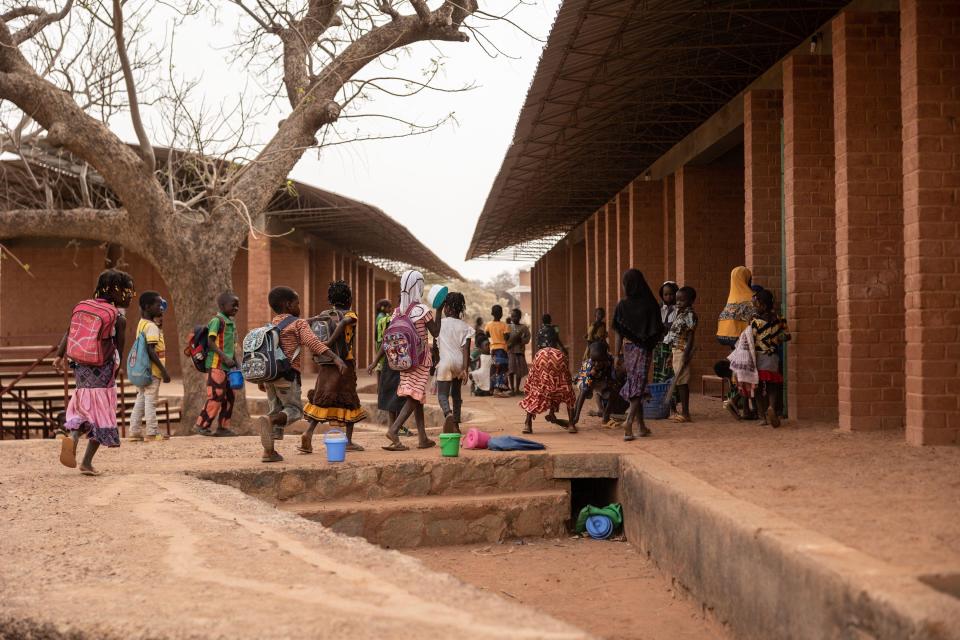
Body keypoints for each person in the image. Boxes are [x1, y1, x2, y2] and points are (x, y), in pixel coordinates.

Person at [55, 269, 135, 475]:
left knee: (83, 407)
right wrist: (117, 368)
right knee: (101, 415)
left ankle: (72, 437)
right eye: (126, 291)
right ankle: (87, 463)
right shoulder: (118, 318)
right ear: (115, 291)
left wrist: (58, 355)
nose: (128, 295)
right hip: (103, 370)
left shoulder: (83, 307)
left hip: (81, 368)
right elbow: (119, 348)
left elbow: (68, 331)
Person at [257, 286, 346, 463]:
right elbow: (313, 342)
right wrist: (336, 358)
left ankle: (269, 452)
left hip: (270, 376)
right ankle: (270, 420)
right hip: (287, 375)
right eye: (297, 303)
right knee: (294, 410)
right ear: (289, 305)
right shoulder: (299, 324)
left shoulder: (272, 324)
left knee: (275, 408)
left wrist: (261, 379)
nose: (300, 307)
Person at [300, 281, 366, 455]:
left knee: (321, 398)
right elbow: (345, 322)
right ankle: (349, 441)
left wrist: (313, 322)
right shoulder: (351, 313)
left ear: (331, 299)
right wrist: (329, 341)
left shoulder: (324, 314)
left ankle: (308, 433)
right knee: (349, 399)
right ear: (349, 298)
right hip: (345, 363)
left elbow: (306, 323)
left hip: (326, 362)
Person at [380, 270, 441, 451]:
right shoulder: (422, 310)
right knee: (415, 396)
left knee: (416, 396)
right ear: (418, 286)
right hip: (420, 360)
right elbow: (436, 331)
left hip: (404, 360)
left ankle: (423, 438)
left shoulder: (397, 311)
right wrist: (439, 309)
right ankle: (394, 430)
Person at [613, 269, 664, 441]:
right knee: (639, 383)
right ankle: (629, 423)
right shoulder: (651, 304)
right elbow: (657, 330)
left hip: (628, 349)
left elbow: (618, 332)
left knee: (636, 383)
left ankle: (641, 426)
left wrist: (616, 354)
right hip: (643, 350)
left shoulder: (622, 305)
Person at [128, 291, 172, 442]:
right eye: (158, 304)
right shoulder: (152, 327)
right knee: (151, 401)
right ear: (147, 307)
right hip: (152, 370)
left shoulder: (142, 323)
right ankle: (152, 432)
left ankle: (134, 431)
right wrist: (163, 370)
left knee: (141, 398)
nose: (161, 307)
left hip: (142, 369)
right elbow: (150, 350)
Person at [195, 291, 240, 437]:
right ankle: (201, 425)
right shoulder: (217, 321)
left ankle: (223, 427)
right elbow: (210, 341)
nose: (236, 308)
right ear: (222, 306)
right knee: (216, 395)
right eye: (233, 305)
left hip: (228, 368)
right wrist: (224, 357)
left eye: (238, 306)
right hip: (216, 365)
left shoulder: (231, 324)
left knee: (229, 397)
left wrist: (236, 364)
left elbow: (231, 346)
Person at [717, 266, 757, 420]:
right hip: (748, 344)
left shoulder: (730, 299)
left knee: (740, 375)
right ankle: (743, 407)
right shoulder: (750, 299)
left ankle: (745, 408)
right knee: (750, 375)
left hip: (734, 346)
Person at [520, 334, 577, 434]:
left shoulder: (539, 354)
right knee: (569, 396)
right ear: (555, 343)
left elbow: (533, 374)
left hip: (543, 386)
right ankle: (571, 425)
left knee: (534, 396)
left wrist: (532, 387)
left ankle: (527, 424)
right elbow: (566, 374)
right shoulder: (560, 354)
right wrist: (567, 385)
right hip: (559, 386)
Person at [750, 289, 791, 428]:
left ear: (763, 305)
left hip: (758, 357)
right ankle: (772, 407)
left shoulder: (755, 322)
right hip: (772, 356)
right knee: (773, 386)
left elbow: (751, 339)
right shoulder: (779, 319)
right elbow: (787, 336)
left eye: (757, 304)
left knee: (757, 387)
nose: (755, 307)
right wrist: (774, 342)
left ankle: (763, 416)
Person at [434, 292, 473, 433]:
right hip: (459, 363)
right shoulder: (465, 327)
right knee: (456, 396)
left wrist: (436, 363)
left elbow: (435, 346)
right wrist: (465, 369)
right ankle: (456, 425)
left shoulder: (440, 324)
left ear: (448, 308)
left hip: (445, 363)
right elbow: (466, 349)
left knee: (442, 395)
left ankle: (448, 414)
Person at [369, 298, 408, 435]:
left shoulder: (403, 316)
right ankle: (394, 427)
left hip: (400, 362)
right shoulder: (393, 318)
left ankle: (395, 427)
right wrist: (375, 362)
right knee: (393, 393)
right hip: (394, 361)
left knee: (398, 395)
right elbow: (386, 340)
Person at [664, 286, 698, 423]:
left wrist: (685, 354)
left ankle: (685, 413)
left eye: (682, 300)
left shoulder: (690, 315)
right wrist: (671, 355)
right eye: (677, 300)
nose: (678, 303)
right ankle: (681, 411)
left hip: (682, 350)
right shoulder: (681, 313)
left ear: (691, 300)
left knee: (682, 382)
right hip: (676, 350)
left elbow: (690, 337)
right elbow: (675, 336)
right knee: (679, 381)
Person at [573, 340, 619, 427]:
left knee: (613, 392)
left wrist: (611, 384)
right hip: (584, 378)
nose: (597, 364)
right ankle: (575, 416)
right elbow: (584, 390)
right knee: (585, 392)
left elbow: (612, 378)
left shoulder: (610, 361)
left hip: (601, 380)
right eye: (594, 361)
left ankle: (606, 417)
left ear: (605, 358)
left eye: (600, 361)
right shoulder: (588, 366)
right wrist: (590, 375)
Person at [652, 282, 679, 385]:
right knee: (659, 370)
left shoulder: (678, 309)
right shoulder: (659, 309)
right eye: (665, 294)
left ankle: (671, 397)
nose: (668, 297)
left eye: (671, 294)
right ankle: (660, 396)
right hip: (660, 345)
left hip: (673, 345)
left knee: (670, 371)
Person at [485, 305, 510, 397]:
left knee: (494, 368)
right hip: (502, 350)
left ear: (492, 313)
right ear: (502, 314)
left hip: (493, 350)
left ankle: (492, 389)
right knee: (502, 369)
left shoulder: (488, 325)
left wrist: (493, 340)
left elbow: (487, 334)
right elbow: (507, 337)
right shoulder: (504, 325)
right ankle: (498, 389)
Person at [506, 308, 531, 395]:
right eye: (512, 316)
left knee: (518, 371)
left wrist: (521, 340)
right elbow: (505, 338)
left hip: (519, 352)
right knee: (511, 370)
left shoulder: (524, 328)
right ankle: (512, 389)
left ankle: (517, 388)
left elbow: (527, 338)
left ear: (519, 317)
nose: (513, 318)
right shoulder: (508, 327)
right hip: (510, 351)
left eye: (515, 316)